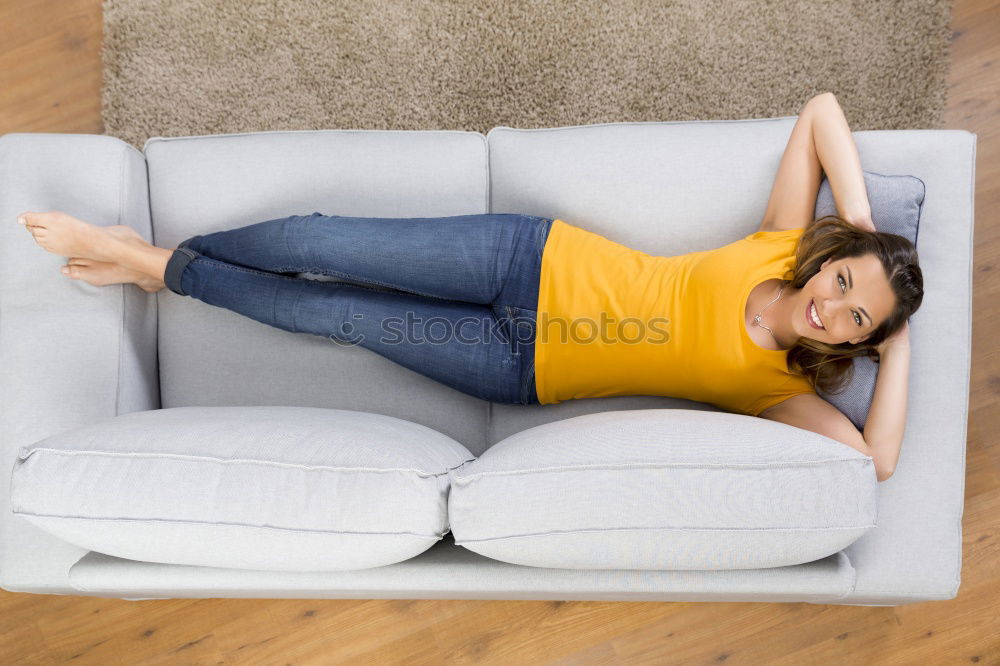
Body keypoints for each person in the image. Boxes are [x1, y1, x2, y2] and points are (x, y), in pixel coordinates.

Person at [16, 92, 919, 481]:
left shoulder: (789, 391)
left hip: (513, 364)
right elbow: (822, 112)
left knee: (322, 310)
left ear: (855, 342)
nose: (832, 305)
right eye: (844, 279)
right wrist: (869, 228)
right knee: (314, 239)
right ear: (831, 253)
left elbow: (873, 462)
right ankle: (151, 255)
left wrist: (901, 343)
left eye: (855, 318)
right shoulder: (782, 243)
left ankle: (145, 263)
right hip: (528, 258)